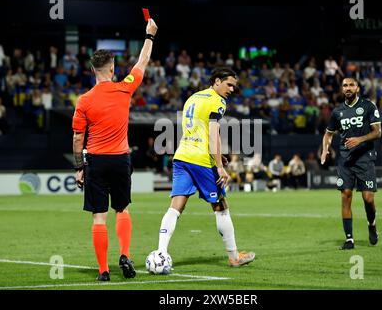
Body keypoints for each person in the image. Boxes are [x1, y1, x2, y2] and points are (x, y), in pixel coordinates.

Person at [72, 18, 158, 281]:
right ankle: (124, 254)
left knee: (99, 217)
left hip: (95, 162)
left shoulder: (84, 100)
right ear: (112, 68)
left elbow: (78, 138)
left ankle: (103, 271)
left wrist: (79, 167)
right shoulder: (125, 88)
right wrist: (150, 36)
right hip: (121, 159)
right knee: (122, 209)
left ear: (92, 70)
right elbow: (142, 62)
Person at [155, 67, 255, 270]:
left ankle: (161, 253)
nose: (231, 90)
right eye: (229, 85)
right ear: (217, 81)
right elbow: (212, 134)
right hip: (201, 161)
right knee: (221, 206)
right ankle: (234, 257)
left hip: (182, 156)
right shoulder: (217, 101)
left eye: (234, 86)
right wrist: (218, 166)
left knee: (175, 207)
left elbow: (196, 130)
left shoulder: (193, 97)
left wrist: (218, 156)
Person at [320, 77, 381, 250]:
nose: (348, 88)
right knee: (345, 196)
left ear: (357, 88)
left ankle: (372, 224)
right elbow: (328, 134)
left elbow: (377, 132)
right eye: (345, 85)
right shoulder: (337, 112)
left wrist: (359, 140)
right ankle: (349, 239)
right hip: (345, 160)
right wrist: (325, 149)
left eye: (351, 85)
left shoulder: (368, 106)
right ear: (342, 89)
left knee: (368, 198)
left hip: (364, 157)